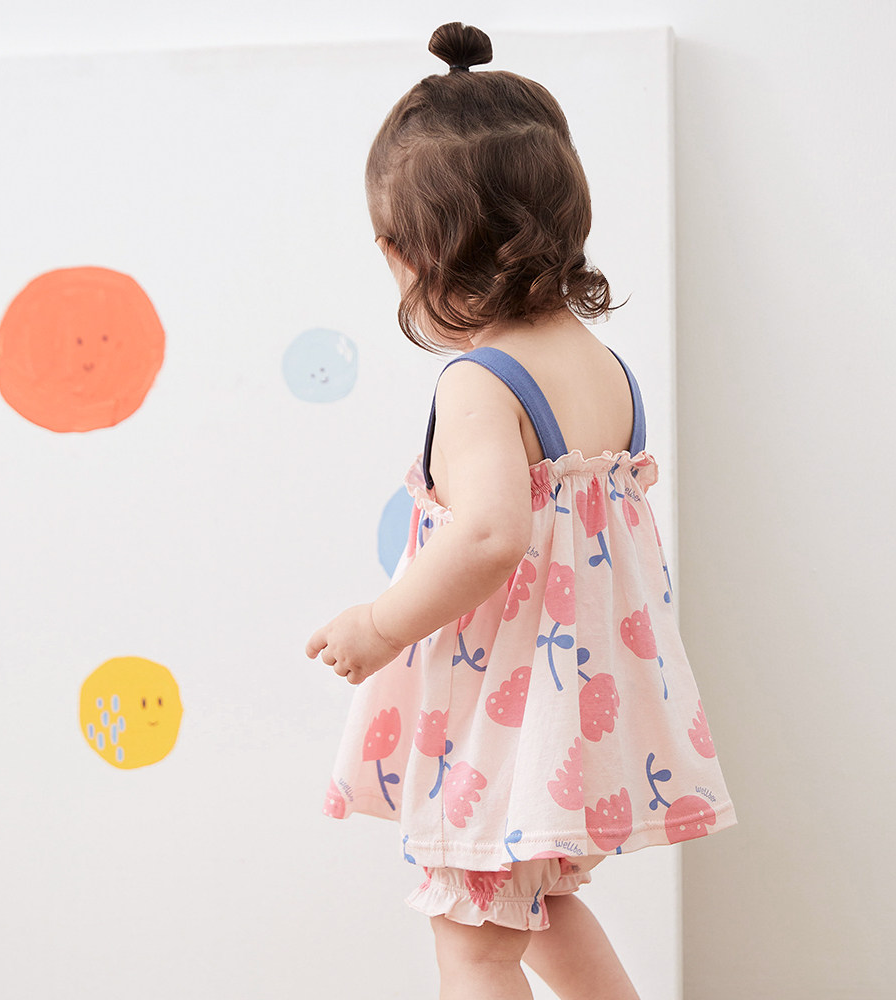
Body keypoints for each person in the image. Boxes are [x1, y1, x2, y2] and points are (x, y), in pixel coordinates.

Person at [305, 21, 738, 1000]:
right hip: (574, 719)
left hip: (501, 726)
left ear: (402, 254)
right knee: (536, 914)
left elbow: (492, 534)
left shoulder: (479, 381)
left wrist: (380, 624)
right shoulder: (601, 367)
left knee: (471, 945)